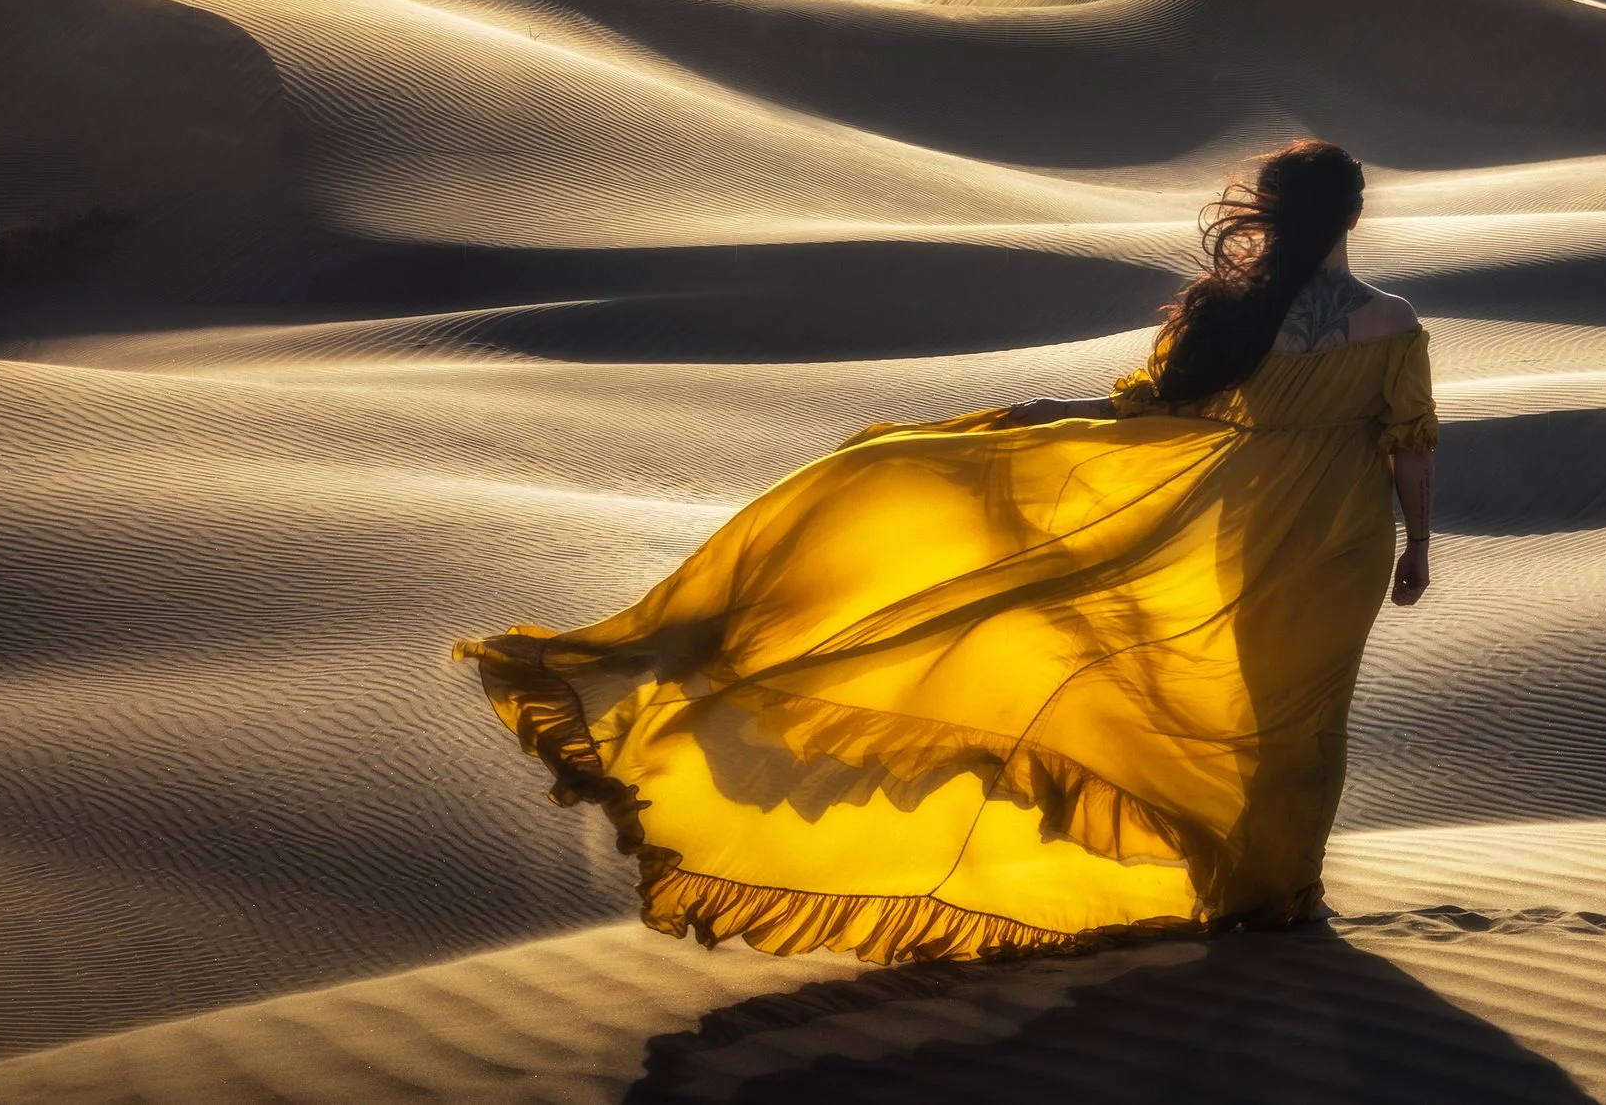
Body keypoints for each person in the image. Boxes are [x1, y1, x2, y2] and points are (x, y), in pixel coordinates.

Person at [456, 139, 1437, 964]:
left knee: (1246, 706)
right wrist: (1418, 545)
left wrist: (1057, 418)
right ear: (1352, 213)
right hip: (1338, 536)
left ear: (1271, 213)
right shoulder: (1390, 321)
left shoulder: (1232, 312)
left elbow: (1157, 408)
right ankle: (1277, 892)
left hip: (1238, 524)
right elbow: (1408, 440)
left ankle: (1259, 884)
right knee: (1299, 716)